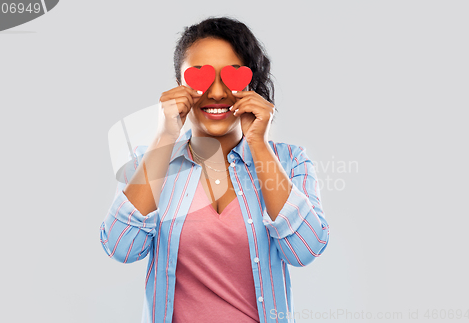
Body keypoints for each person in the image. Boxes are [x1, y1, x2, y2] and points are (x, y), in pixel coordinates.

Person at [100, 16, 330, 323]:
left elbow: (305, 250)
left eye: (232, 76)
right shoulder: (149, 160)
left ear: (250, 83)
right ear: (179, 86)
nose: (218, 93)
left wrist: (259, 145)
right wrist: (164, 137)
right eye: (201, 77)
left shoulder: (291, 161)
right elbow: (121, 247)